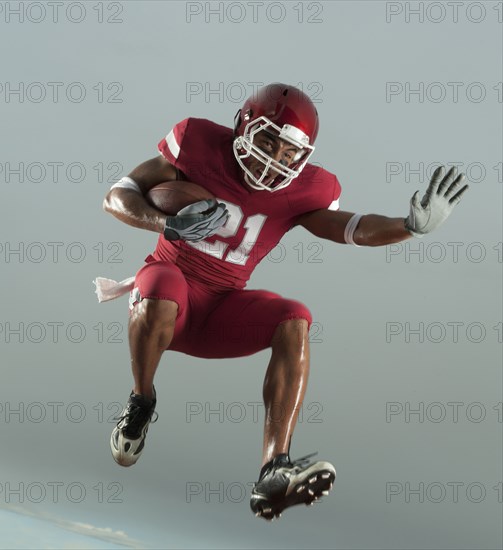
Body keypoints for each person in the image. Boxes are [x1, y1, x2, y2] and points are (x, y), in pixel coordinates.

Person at [98, 83, 468, 520]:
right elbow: (117, 197)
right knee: (160, 281)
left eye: (290, 151)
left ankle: (274, 470)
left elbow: (350, 228)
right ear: (243, 127)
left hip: (221, 312)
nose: (276, 158)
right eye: (268, 140)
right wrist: (166, 223)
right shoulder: (197, 142)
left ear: (305, 154)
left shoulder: (310, 188)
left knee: (296, 317)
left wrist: (408, 226)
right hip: (165, 296)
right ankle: (142, 402)